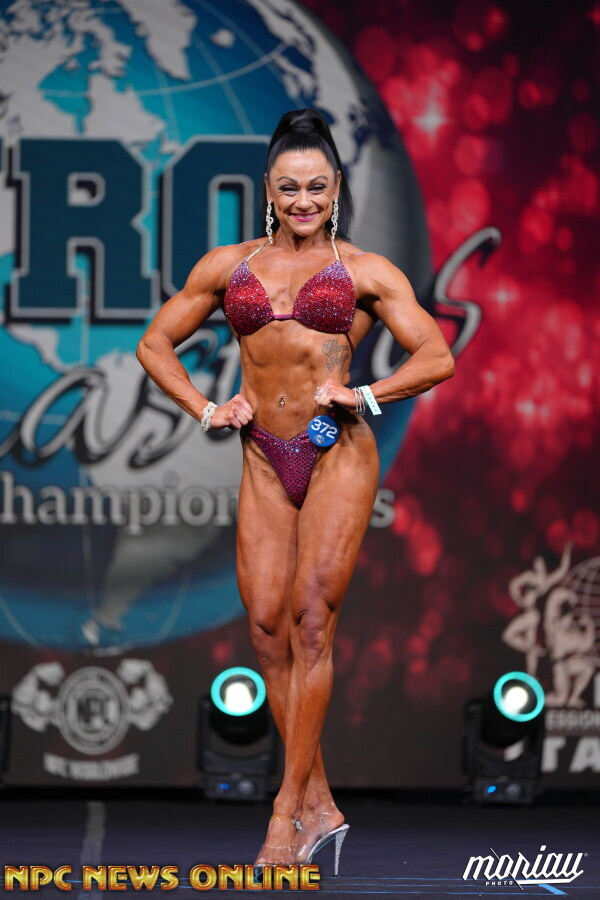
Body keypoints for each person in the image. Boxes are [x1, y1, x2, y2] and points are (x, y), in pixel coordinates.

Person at [136, 108, 455, 877]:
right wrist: (206, 409)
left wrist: (366, 394)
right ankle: (321, 802)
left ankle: (285, 814)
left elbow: (436, 355)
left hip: (333, 450)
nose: (303, 200)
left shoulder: (365, 271)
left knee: (312, 624)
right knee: (266, 631)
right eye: (289, 187)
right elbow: (155, 344)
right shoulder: (229, 266)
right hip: (261, 455)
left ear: (336, 187)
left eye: (316, 186)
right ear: (268, 191)